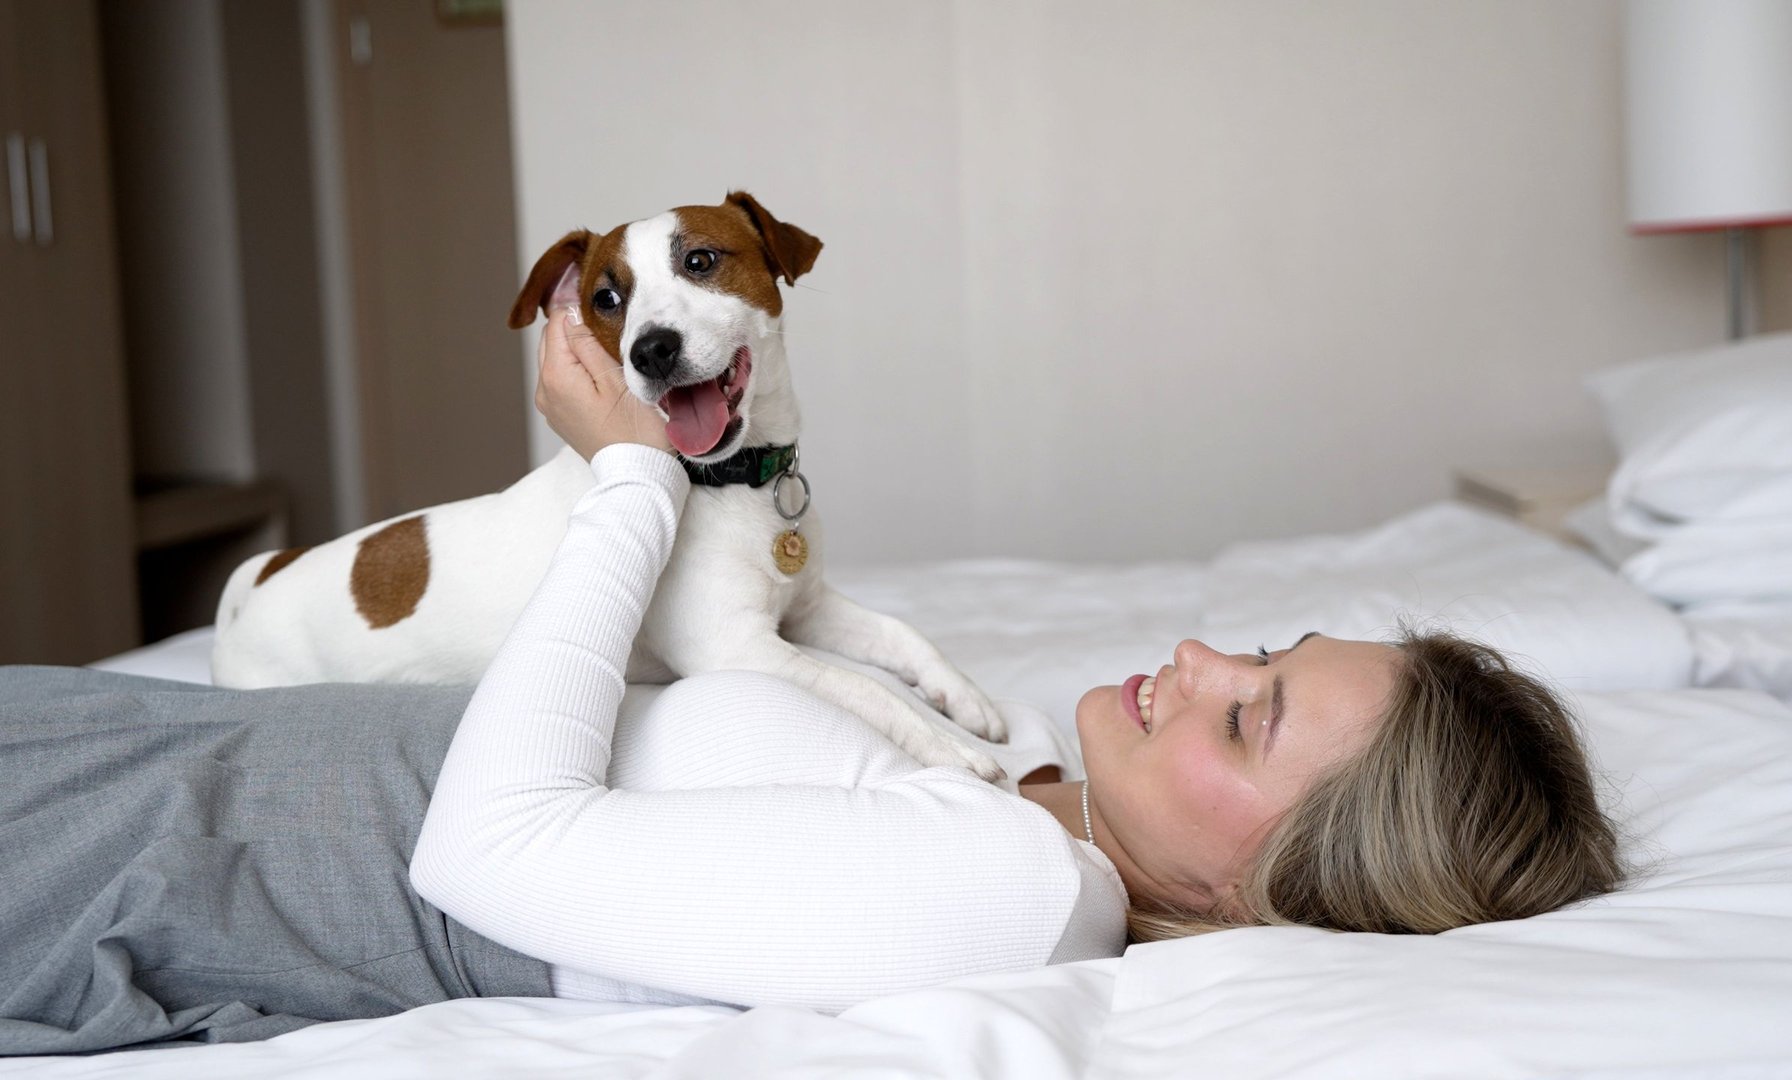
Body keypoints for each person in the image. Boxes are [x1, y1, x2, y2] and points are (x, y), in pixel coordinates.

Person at [0, 302, 1623, 1055]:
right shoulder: (1021, 819)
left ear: (1278, 890)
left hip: (235, 846)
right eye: (1257, 651)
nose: (1197, 659)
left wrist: (632, 485)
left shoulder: (1009, 893)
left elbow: (487, 853)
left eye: (1250, 715)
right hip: (236, 774)